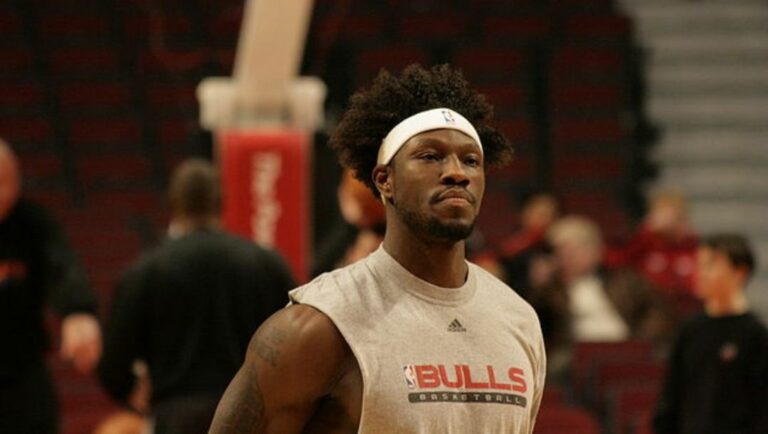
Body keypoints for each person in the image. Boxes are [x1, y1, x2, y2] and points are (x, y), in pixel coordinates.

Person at [208, 64, 546, 433]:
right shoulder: (321, 325)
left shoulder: (519, 320)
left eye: (470, 161)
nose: (457, 173)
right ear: (385, 180)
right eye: (430, 156)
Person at [97, 159, 296, 434]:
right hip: (251, 416)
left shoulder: (143, 273)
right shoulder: (267, 265)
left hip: (174, 417)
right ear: (221, 202)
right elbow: (295, 346)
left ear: (172, 203)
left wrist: (132, 390)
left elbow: (112, 367)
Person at [0, 139, 102, 434]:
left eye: (8, 182)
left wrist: (77, 310)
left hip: (22, 371)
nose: (3, 194)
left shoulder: (32, 223)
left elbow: (62, 265)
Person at [529, 216, 673, 380]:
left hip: (625, 347)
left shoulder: (623, 279)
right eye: (561, 252)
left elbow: (658, 311)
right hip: (576, 355)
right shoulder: (552, 290)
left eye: (573, 250)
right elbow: (536, 321)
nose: (566, 258)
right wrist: (540, 286)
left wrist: (639, 341)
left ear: (595, 251)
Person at [653, 233, 768, 434]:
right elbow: (671, 397)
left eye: (710, 265)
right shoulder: (690, 330)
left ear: (739, 272)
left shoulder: (755, 334)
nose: (700, 273)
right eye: (699, 265)